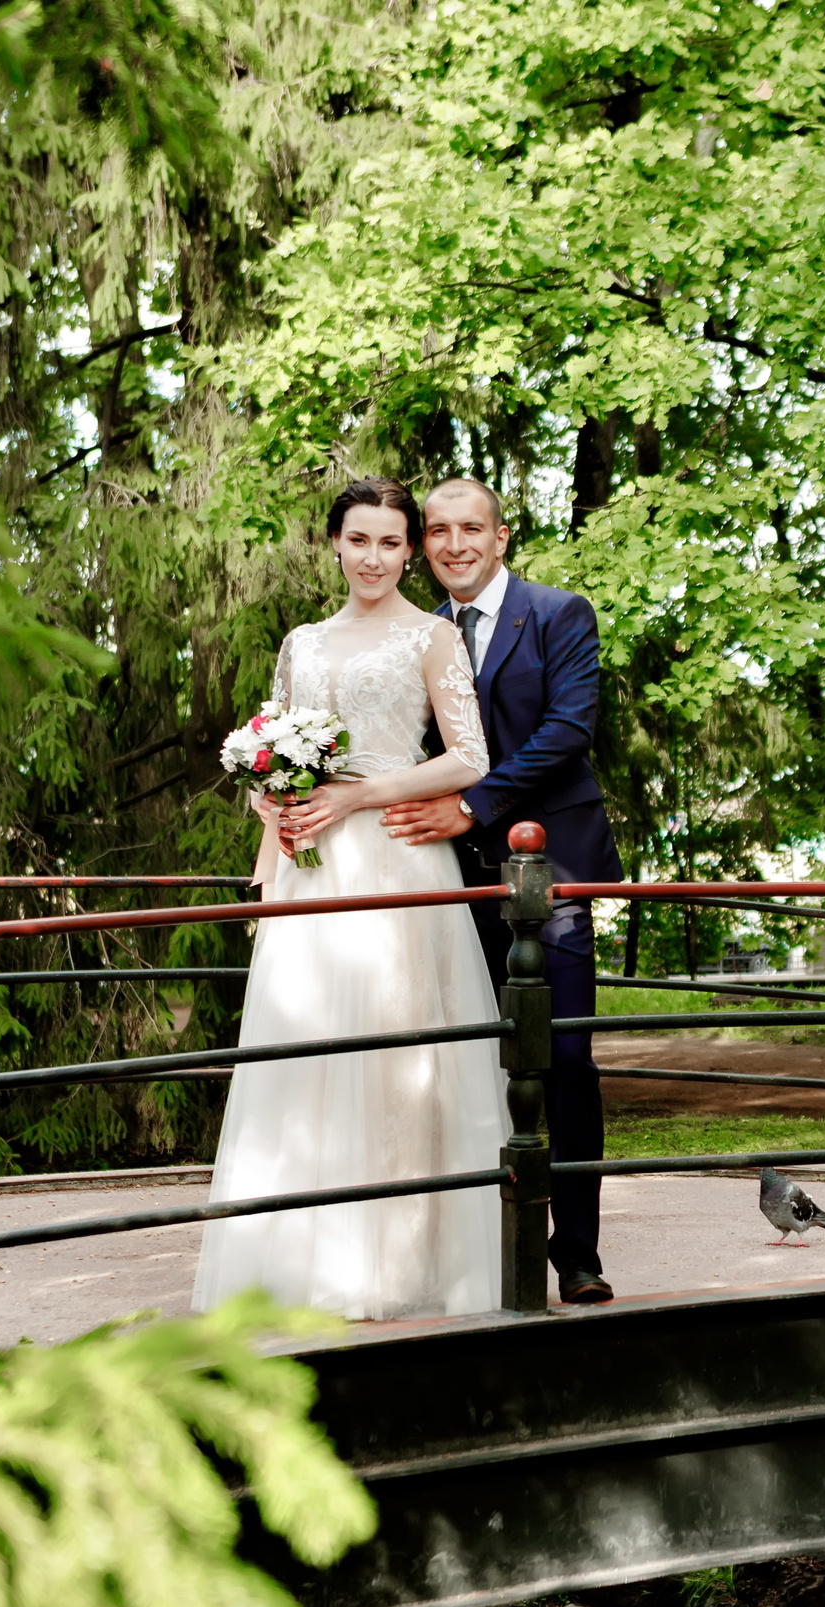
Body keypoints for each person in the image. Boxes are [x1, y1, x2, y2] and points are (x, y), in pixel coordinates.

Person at [191, 476, 503, 1320]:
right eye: (358, 539)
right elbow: (278, 749)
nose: (373, 557)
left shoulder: (432, 637)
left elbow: (469, 757)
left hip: (396, 859)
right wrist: (269, 799)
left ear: (411, 551)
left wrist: (360, 796)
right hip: (310, 862)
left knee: (394, 1060)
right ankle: (297, 1259)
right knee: (308, 1051)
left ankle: (393, 1264)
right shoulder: (301, 642)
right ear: (334, 543)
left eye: (391, 542)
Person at [380, 476, 623, 1306]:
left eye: (470, 529)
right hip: (450, 882)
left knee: (562, 1058)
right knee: (467, 1065)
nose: (454, 545)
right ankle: (482, 1250)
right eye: (438, 532)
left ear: (502, 535)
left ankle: (578, 1253)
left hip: (552, 870)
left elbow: (568, 730)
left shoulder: (560, 614)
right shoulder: (412, 633)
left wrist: (472, 804)